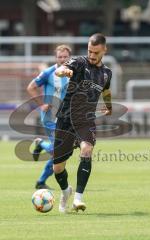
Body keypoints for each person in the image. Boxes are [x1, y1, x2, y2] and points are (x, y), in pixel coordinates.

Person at [53, 33, 112, 213]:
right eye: (89, 51)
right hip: (65, 118)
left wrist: (108, 106)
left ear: (104, 50)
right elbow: (60, 70)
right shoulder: (79, 62)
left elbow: (106, 91)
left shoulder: (107, 73)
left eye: (95, 52)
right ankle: (66, 191)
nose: (92, 55)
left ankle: (78, 198)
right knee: (57, 168)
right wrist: (65, 71)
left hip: (85, 120)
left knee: (87, 149)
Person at [27, 44, 72, 189]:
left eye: (65, 56)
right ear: (56, 58)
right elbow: (31, 87)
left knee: (59, 153)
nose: (63, 59)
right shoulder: (49, 72)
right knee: (58, 150)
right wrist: (41, 104)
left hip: (66, 118)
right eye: (60, 57)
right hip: (50, 117)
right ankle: (40, 144)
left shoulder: (73, 72)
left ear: (69, 57)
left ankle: (41, 182)